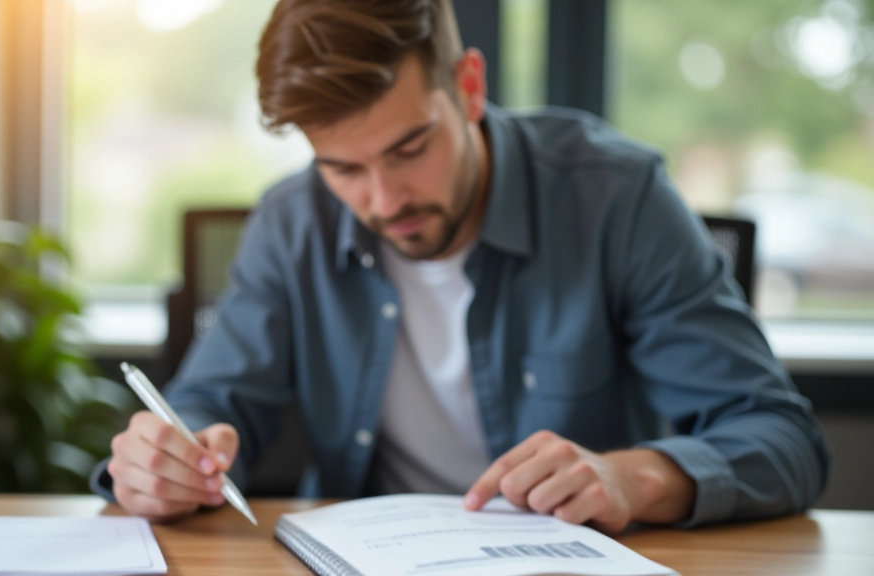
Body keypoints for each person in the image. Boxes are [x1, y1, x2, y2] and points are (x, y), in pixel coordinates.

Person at [91, 0, 830, 532]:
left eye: (410, 149)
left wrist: (632, 477)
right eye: (343, 167)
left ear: (469, 86)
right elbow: (207, 405)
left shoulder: (616, 198)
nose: (383, 200)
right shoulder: (291, 221)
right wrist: (165, 461)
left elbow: (782, 438)